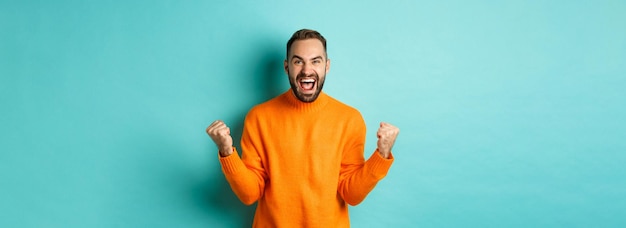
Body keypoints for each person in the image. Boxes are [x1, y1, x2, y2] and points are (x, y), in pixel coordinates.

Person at [206, 29, 400, 227]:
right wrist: (227, 151)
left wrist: (382, 155)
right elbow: (250, 194)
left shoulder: (349, 119)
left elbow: (352, 194)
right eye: (298, 61)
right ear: (286, 67)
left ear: (327, 66)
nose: (307, 70)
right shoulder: (259, 118)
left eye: (315, 61)